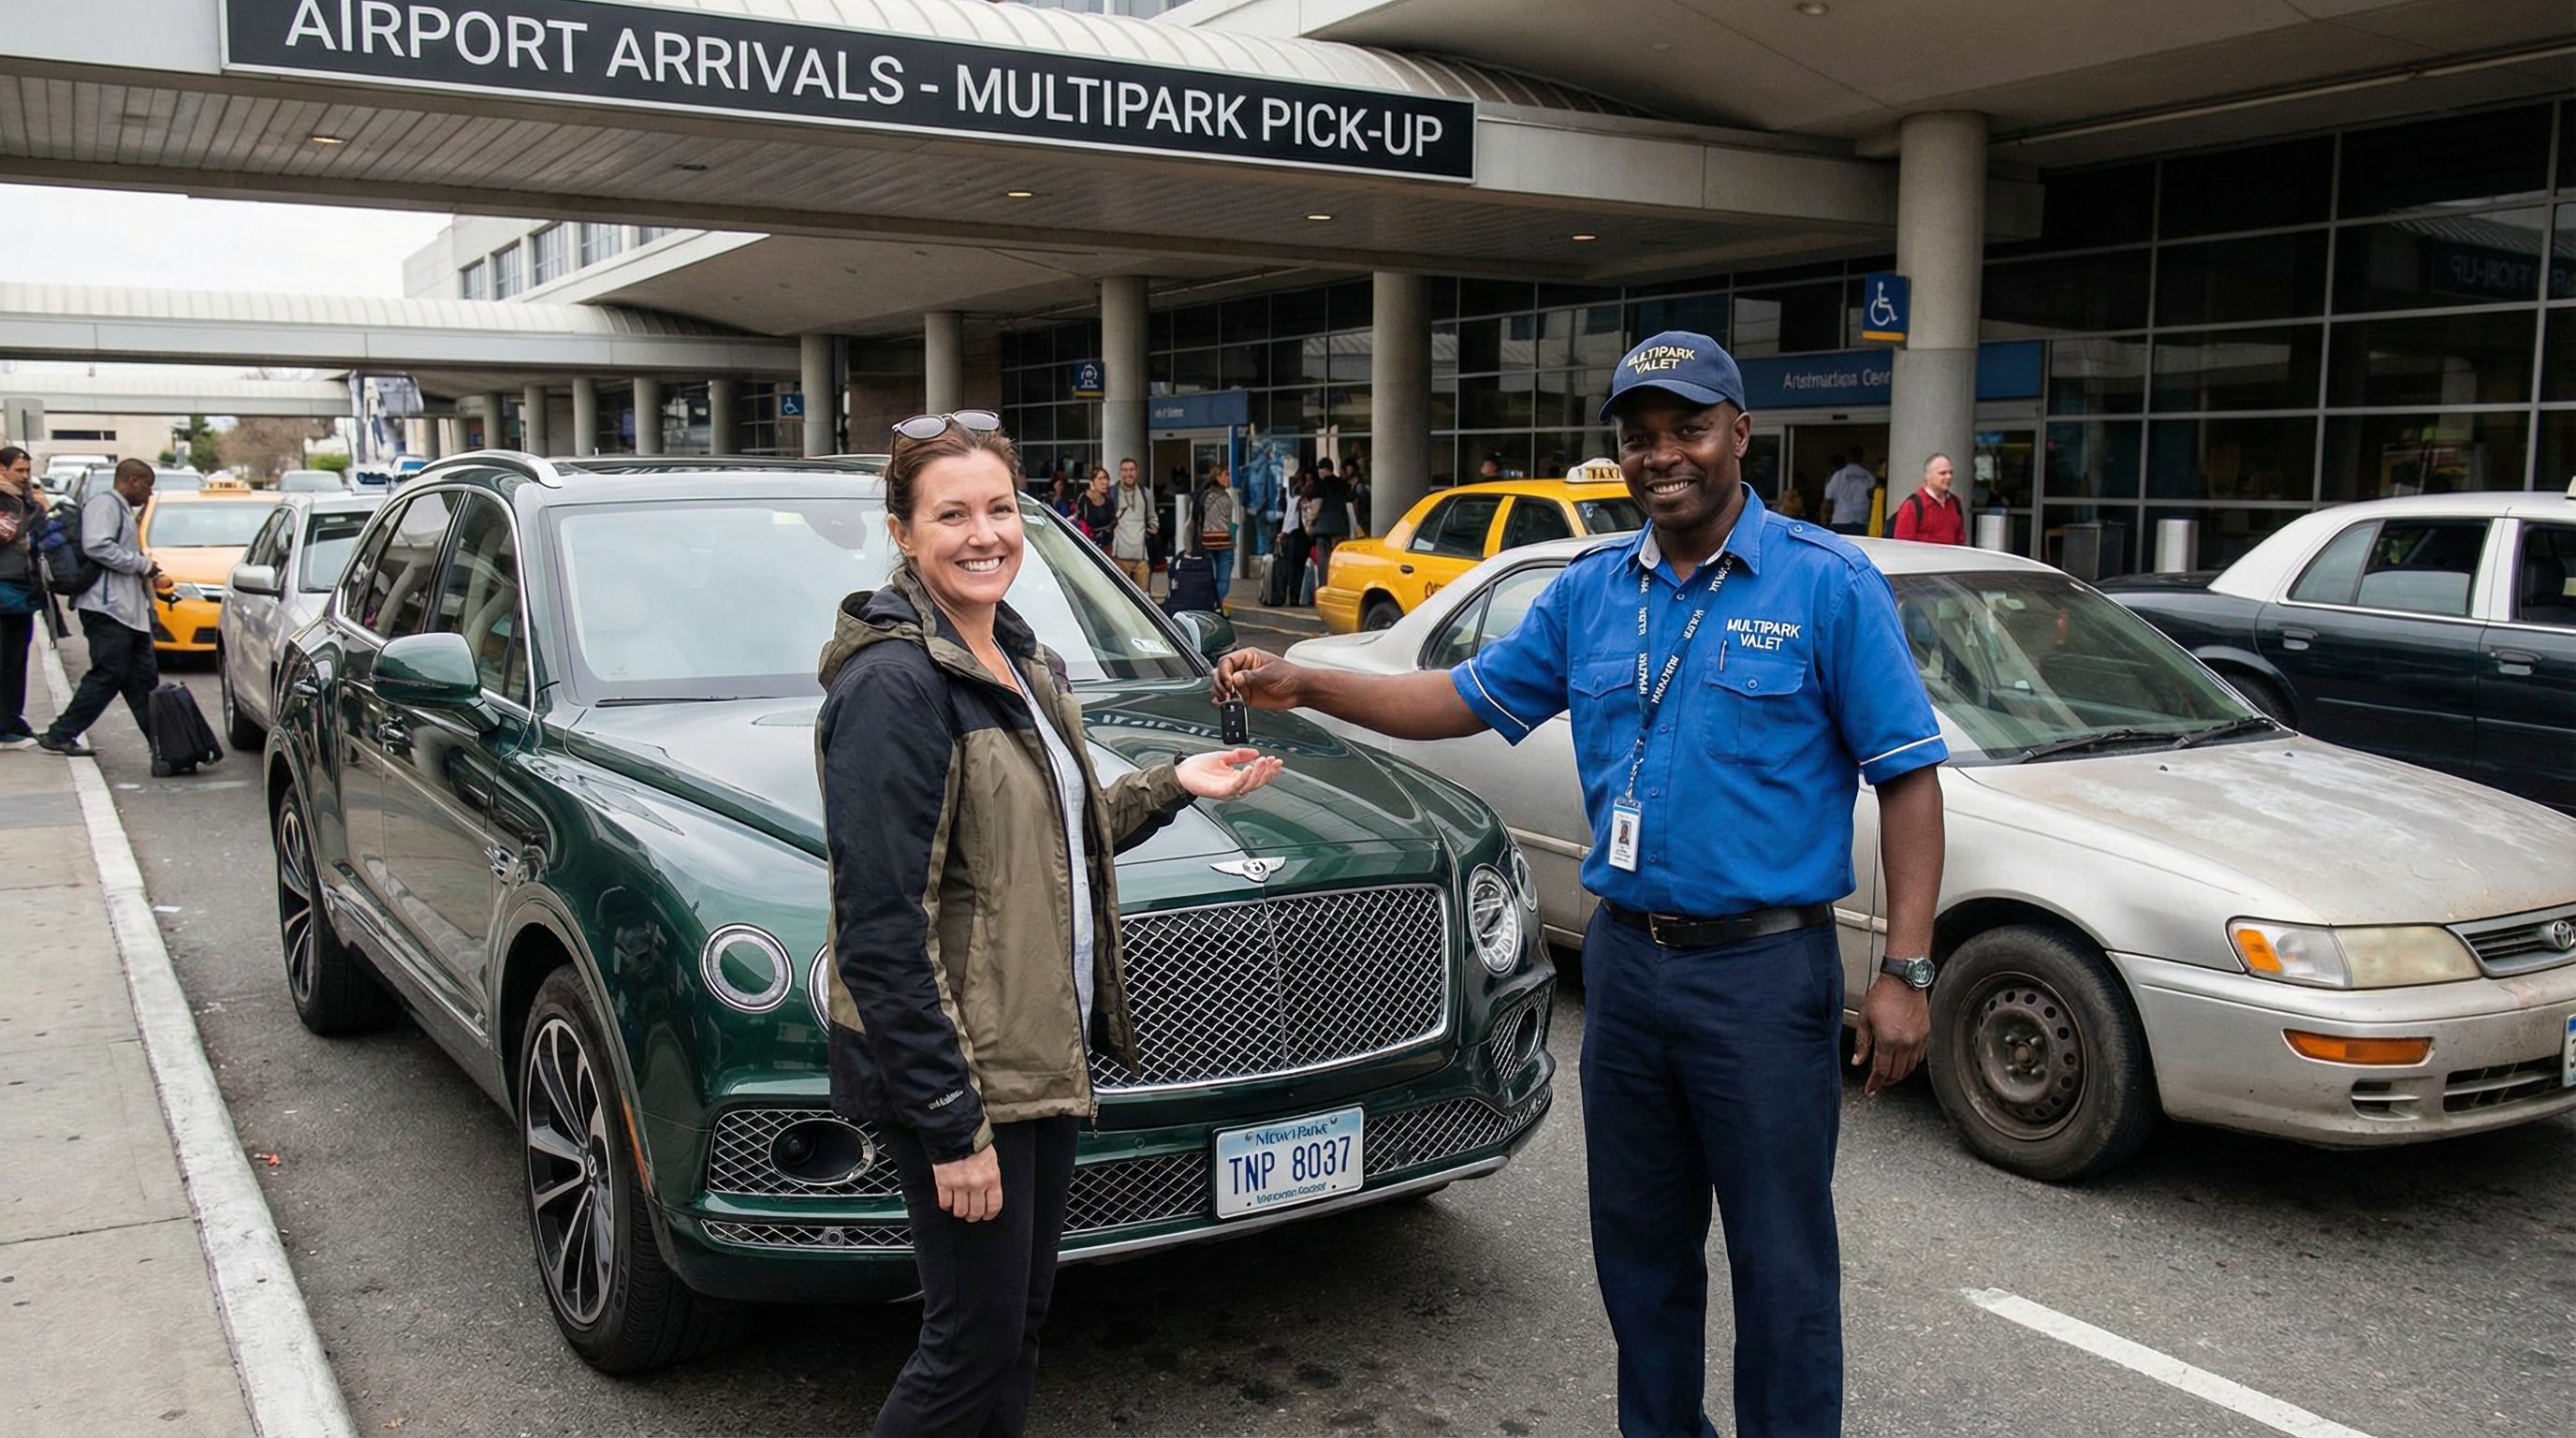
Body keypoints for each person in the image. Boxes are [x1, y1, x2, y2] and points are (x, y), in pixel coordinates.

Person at [1213, 331, 1947, 1438]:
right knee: (1639, 1254)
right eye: (1640, 437)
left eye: (1689, 430)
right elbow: (1459, 696)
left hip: (1762, 973)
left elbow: (1908, 782)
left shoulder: (1823, 583)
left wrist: (1904, 966)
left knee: (1782, 1264)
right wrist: (1305, 680)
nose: (1664, 456)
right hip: (1626, 969)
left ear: (1738, 434)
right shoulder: (1591, 591)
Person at [816, 412, 1281, 1438]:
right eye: (951, 515)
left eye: (999, 508)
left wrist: (1172, 783)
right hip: (965, 1075)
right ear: (901, 531)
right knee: (966, 1345)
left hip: (1036, 1052)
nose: (984, 534)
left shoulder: (1022, 660)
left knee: (1014, 1326)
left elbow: (1054, 843)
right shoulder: (895, 685)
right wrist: (950, 1126)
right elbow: (882, 930)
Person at [38, 459, 168, 760]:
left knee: (143, 681)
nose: (148, 495)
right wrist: (143, 565)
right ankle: (61, 733)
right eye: (147, 487)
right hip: (106, 609)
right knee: (109, 674)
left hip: (126, 611)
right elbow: (96, 545)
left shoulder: (119, 507)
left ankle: (164, 745)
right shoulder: (105, 505)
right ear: (133, 481)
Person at [0, 447, 40, 747]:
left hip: (23, 589)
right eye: (19, 471)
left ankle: (13, 717)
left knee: (17, 658)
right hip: (3, 587)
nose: (25, 477)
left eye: (27, 470)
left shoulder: (25, 500)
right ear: (2, 470)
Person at [1891, 454, 1967, 545]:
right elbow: (1901, 545)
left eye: (1951, 473)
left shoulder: (1955, 503)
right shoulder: (1912, 505)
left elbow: (1960, 540)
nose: (1949, 477)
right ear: (1927, 476)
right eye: (1942, 473)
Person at [1266, 466, 1315, 607]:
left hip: (1293, 536)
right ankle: (1294, 597)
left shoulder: (1293, 497)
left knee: (1291, 568)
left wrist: (1283, 533)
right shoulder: (1301, 498)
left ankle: (1290, 596)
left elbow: (1288, 518)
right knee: (1297, 568)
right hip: (1300, 536)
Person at [1110, 457, 1157, 590]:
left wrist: (1154, 527)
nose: (1128, 473)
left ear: (1137, 472)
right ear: (1120, 472)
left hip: (1141, 557)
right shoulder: (1111, 493)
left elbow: (1152, 517)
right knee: (1120, 596)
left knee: (1142, 599)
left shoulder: (1146, 493)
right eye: (1125, 470)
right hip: (1118, 557)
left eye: (1131, 470)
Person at [1195, 464, 1237, 606]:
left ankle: (1211, 604)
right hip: (1225, 543)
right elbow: (1228, 521)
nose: (1229, 478)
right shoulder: (1224, 498)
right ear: (1217, 477)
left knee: (1210, 578)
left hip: (1207, 542)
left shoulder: (1204, 495)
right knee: (1223, 580)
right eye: (1226, 474)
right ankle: (1215, 604)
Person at [1307, 457, 1351, 578]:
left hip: (1323, 526)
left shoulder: (1320, 484)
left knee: (1323, 557)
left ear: (1325, 470)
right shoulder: (1342, 484)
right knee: (1338, 556)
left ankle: (1324, 582)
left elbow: (1316, 507)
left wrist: (1310, 524)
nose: (1320, 473)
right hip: (1340, 524)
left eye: (1321, 470)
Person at [1822, 451, 1874, 536]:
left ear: (1848, 458)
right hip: (1860, 520)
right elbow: (1873, 498)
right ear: (1861, 458)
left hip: (1841, 519)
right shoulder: (1869, 476)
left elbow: (1828, 497)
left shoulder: (1839, 475)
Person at [1072, 466, 1117, 548]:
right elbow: (1080, 521)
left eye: (1106, 478)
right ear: (1092, 482)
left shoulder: (1109, 501)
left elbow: (1112, 522)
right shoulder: (1084, 498)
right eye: (1100, 479)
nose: (1105, 482)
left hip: (1106, 545)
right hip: (1088, 544)